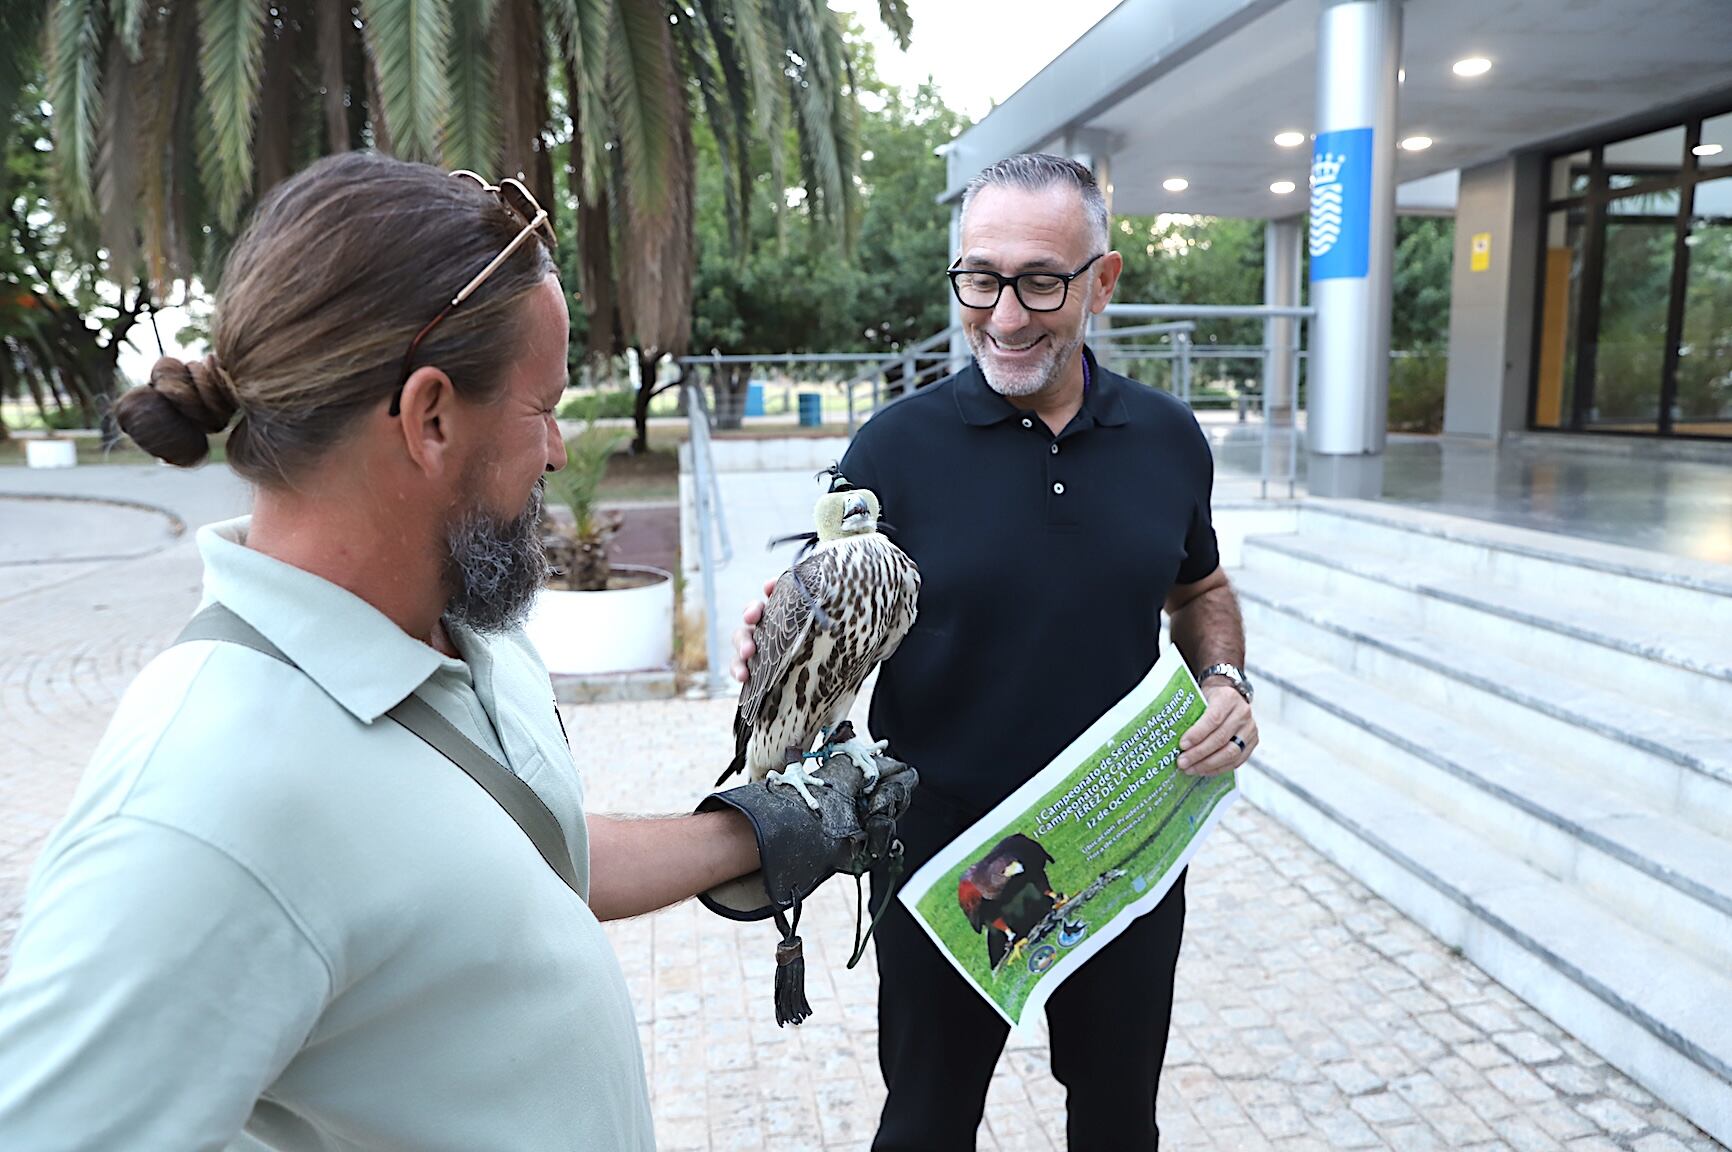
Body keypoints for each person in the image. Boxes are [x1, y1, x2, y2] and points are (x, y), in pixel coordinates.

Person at [0, 152, 897, 1151]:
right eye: (545, 407)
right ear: (430, 418)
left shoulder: (467, 635)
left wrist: (759, 832)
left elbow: (527, 861)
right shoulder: (199, 806)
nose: (559, 451)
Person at [734, 154, 1260, 1150]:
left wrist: (1224, 678)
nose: (1005, 316)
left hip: (1121, 845)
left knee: (1116, 1123)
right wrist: (769, 644)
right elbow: (821, 601)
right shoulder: (891, 448)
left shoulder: (1168, 438)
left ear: (1103, 281)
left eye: (1040, 281)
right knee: (927, 1124)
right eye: (980, 278)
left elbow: (1199, 588)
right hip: (946, 858)